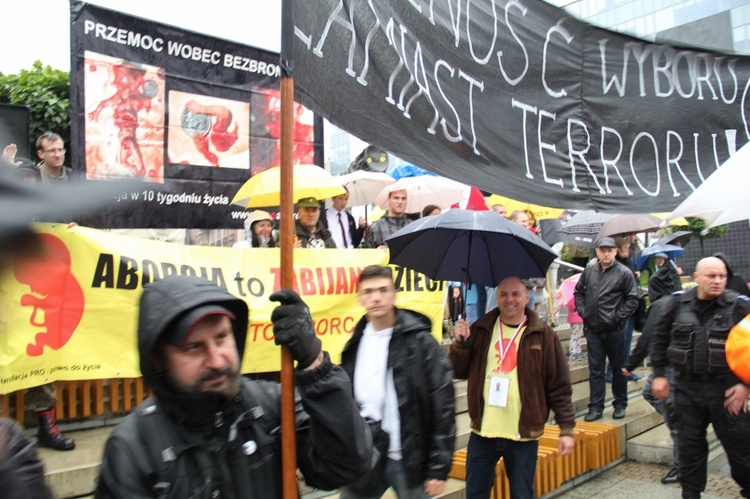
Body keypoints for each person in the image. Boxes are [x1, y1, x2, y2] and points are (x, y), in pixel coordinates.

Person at [95, 275, 373, 498]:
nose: (216, 360)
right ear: (158, 359)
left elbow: (346, 466)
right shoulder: (132, 448)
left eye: (221, 337)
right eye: (192, 347)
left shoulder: (271, 404)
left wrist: (314, 362)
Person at [450, 277, 575, 499]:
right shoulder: (480, 330)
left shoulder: (544, 335)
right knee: (476, 493)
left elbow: (559, 385)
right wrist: (461, 344)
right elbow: (458, 371)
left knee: (522, 494)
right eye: (504, 294)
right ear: (496, 298)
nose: (510, 300)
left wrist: (566, 429)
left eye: (515, 294)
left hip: (522, 433)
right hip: (483, 431)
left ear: (527, 297)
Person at [339, 265, 456, 498]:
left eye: (383, 290)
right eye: (369, 292)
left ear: (394, 294)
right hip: (367, 456)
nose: (376, 298)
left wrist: (438, 469)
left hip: (408, 458)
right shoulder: (354, 344)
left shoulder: (420, 341)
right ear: (360, 298)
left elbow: (443, 404)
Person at [650, 257, 750, 499]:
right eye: (711, 276)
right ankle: (691, 493)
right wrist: (659, 375)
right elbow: (659, 339)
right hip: (687, 388)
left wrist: (746, 385)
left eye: (722, 276)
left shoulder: (738, 306)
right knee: (689, 447)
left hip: (726, 390)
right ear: (696, 278)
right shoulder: (676, 304)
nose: (717, 281)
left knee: (741, 449)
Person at [574, 237, 639, 421]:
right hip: (593, 329)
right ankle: (595, 407)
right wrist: (584, 312)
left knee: (618, 368)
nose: (606, 253)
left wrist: (618, 317)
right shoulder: (589, 271)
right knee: (595, 370)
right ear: (597, 251)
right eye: (602, 250)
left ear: (615, 251)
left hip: (615, 330)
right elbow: (578, 292)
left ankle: (620, 404)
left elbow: (633, 298)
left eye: (609, 250)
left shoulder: (624, 273)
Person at [622, 296, 680, 485]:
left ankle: (682, 466)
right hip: (665, 365)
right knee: (649, 393)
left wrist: (631, 364)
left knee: (676, 421)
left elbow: (647, 337)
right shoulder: (678, 301)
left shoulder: (662, 304)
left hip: (671, 366)